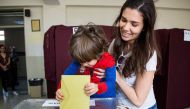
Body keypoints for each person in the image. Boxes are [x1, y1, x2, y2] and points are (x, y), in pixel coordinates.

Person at [94, 0, 161, 109]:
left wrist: (116, 76)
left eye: (134, 24)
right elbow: (108, 73)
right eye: (123, 20)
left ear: (144, 27)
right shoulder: (115, 43)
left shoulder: (148, 53)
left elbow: (138, 100)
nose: (125, 28)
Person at [55, 24, 116, 101]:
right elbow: (66, 76)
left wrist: (98, 87)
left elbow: (112, 83)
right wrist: (60, 89)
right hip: (88, 99)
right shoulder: (82, 58)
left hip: (106, 98)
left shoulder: (108, 60)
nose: (84, 64)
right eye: (81, 62)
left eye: (88, 61)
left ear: (98, 53)